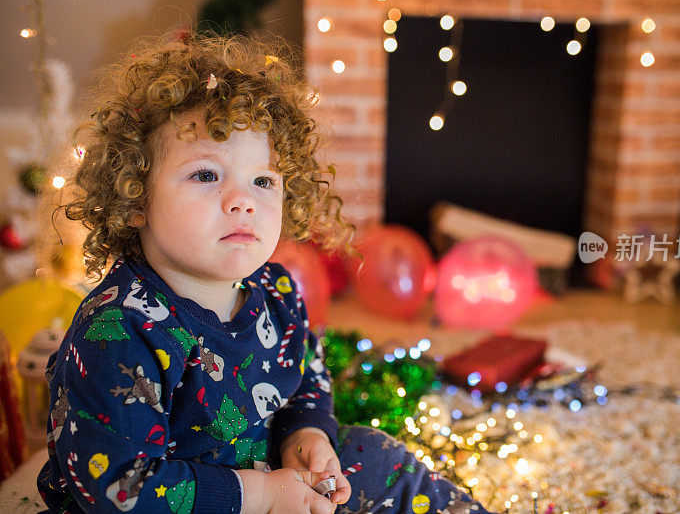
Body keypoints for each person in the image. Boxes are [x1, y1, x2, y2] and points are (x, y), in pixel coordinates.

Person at [37, 32, 492, 514]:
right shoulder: (118, 328)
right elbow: (120, 490)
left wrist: (307, 434)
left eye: (262, 180)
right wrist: (261, 496)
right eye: (207, 175)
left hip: (268, 475)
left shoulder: (275, 290)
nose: (243, 200)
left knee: (374, 455)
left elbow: (307, 376)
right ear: (134, 199)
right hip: (175, 503)